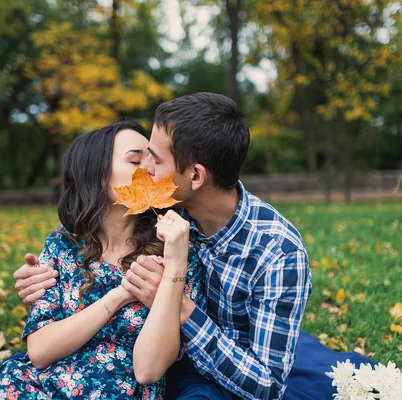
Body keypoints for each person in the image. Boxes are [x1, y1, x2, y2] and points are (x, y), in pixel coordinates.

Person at [15, 92, 312, 400]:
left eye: (155, 160)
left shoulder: (278, 252)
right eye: (139, 159)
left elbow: (268, 387)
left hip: (211, 376)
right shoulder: (159, 214)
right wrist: (39, 281)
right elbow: (92, 235)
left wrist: (180, 305)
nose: (147, 172)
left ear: (195, 176)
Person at [0, 121, 205, 399]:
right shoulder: (64, 244)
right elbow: (39, 352)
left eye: (153, 157)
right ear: (97, 175)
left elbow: (149, 371)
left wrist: (174, 266)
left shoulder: (174, 249)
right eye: (135, 159)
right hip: (29, 386)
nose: (150, 167)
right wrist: (120, 295)